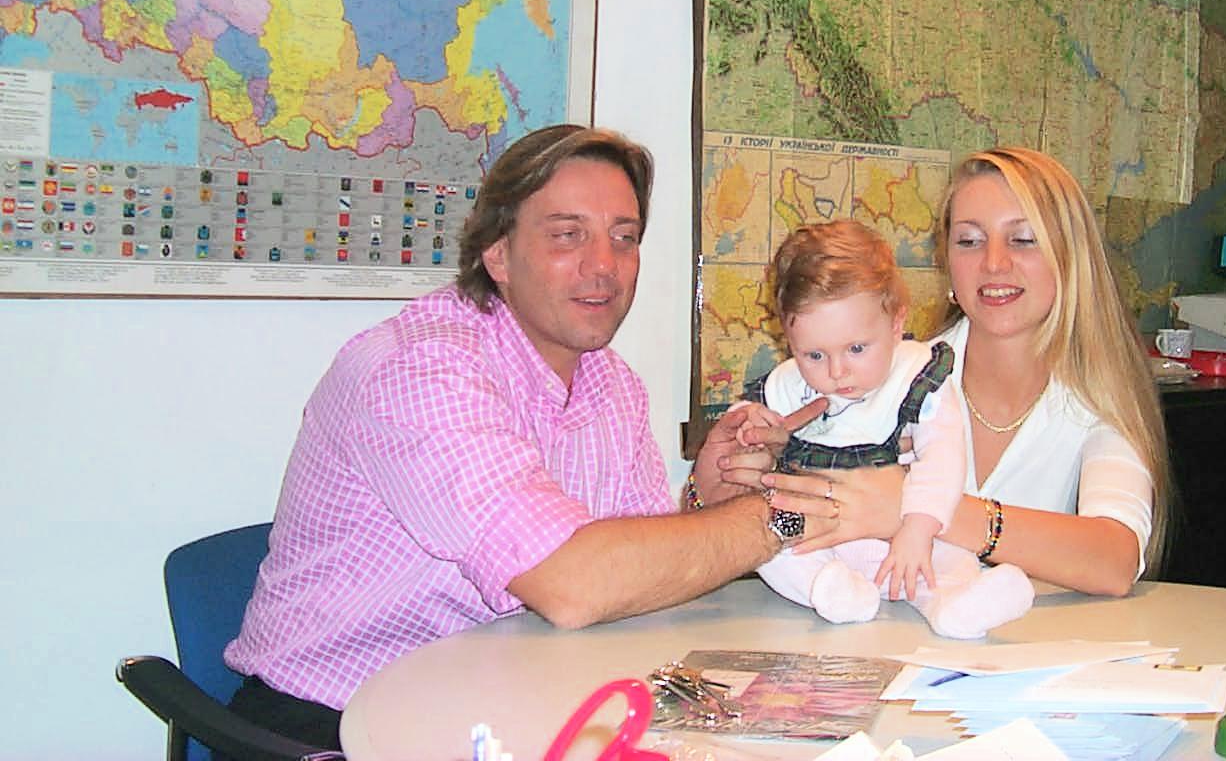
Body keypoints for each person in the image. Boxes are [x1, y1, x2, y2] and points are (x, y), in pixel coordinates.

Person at [223, 124, 826, 749]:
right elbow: (573, 586)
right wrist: (787, 516)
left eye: (624, 238)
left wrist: (706, 499)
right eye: (568, 235)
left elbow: (633, 575)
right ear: (497, 254)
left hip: (503, 696)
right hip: (332, 721)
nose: (604, 266)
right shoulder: (420, 370)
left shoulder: (610, 381)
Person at [697, 147, 1171, 599]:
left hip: (1022, 645)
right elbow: (785, 521)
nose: (994, 262)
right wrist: (722, 488)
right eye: (969, 241)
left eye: (1023, 239)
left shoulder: (1097, 396)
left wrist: (920, 508)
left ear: (1071, 257)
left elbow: (1116, 560)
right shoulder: (878, 375)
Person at [729, 220, 1034, 638]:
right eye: (813, 355)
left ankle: (956, 605)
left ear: (894, 324)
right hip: (820, 537)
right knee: (769, 543)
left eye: (856, 349)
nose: (837, 371)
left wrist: (918, 528)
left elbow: (943, 459)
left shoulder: (914, 376)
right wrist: (747, 423)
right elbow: (750, 417)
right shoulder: (789, 385)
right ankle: (830, 589)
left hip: (903, 533)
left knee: (948, 558)